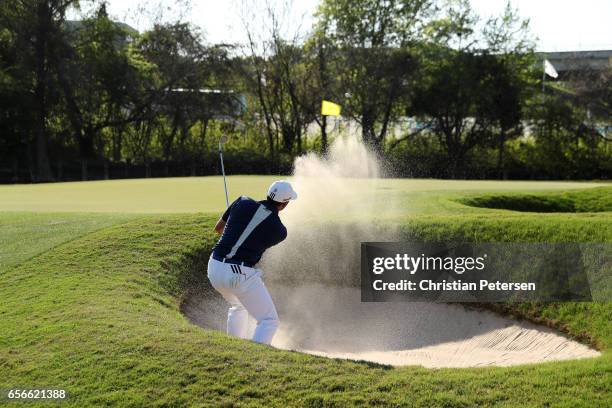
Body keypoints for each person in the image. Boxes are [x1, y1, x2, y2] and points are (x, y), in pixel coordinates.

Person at [207, 180, 297, 345]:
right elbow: (254, 236)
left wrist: (235, 220)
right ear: (284, 204)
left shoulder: (241, 201)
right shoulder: (280, 231)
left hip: (213, 266)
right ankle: (255, 357)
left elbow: (219, 229)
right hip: (238, 274)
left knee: (238, 306)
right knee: (269, 320)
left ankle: (233, 347)